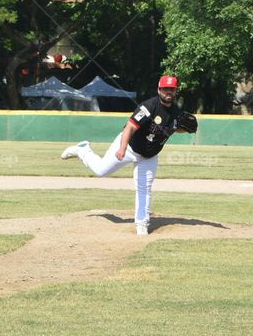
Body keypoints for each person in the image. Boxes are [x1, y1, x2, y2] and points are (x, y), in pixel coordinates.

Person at [61, 75, 197, 235]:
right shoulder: (148, 107)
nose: (168, 92)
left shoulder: (176, 112)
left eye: (172, 89)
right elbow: (130, 127)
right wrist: (122, 148)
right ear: (159, 89)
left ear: (175, 92)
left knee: (144, 188)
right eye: (165, 89)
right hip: (130, 147)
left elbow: (173, 128)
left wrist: (185, 128)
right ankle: (83, 150)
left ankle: (142, 224)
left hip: (149, 155)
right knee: (101, 171)